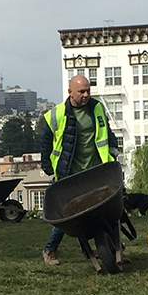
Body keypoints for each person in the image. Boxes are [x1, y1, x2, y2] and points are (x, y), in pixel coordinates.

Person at [40, 75, 119, 265]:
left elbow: (106, 132)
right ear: (70, 92)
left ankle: (115, 248)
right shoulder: (56, 114)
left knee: (107, 210)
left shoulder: (96, 108)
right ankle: (50, 249)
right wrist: (49, 168)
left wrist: (114, 151)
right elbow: (45, 144)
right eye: (81, 91)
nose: (85, 95)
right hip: (70, 173)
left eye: (88, 91)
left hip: (95, 170)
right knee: (67, 215)